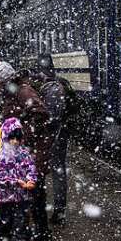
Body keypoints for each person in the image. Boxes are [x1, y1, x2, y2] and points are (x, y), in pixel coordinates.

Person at [0, 60, 55, 241]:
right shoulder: (13, 91)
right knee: (30, 202)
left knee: (36, 202)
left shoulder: (22, 91)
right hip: (24, 157)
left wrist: (21, 134)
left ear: (2, 80)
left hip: (32, 158)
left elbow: (42, 115)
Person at [34, 55, 78, 226]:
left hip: (48, 134)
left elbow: (44, 115)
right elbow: (74, 107)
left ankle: (41, 208)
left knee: (40, 169)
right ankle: (59, 210)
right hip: (63, 132)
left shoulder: (41, 85)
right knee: (59, 170)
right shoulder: (64, 83)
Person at [0, 117, 37, 241]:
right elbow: (0, 176)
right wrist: (17, 182)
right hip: (6, 200)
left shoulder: (25, 154)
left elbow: (32, 169)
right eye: (12, 138)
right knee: (4, 228)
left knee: (22, 228)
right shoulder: (0, 156)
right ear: (6, 137)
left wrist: (31, 180)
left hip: (22, 199)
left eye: (18, 138)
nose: (15, 142)